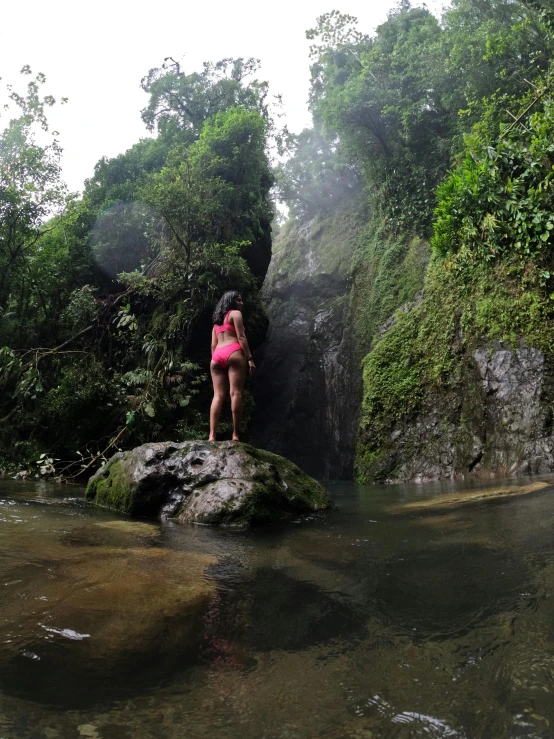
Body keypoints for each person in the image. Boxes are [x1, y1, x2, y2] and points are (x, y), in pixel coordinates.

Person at [209, 290, 255, 441]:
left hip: (216, 357)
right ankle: (235, 434)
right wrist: (249, 358)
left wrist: (216, 360)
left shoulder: (216, 323)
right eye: (239, 300)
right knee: (235, 393)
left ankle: (212, 436)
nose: (242, 303)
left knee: (218, 396)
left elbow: (213, 345)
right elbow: (241, 336)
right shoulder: (235, 314)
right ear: (231, 302)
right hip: (233, 351)